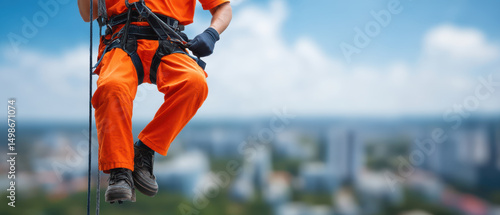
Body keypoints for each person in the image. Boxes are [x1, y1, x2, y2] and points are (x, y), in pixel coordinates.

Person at [77, 0, 232, 203]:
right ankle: (120, 170)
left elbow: (223, 7)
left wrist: (212, 33)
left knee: (194, 83)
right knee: (111, 87)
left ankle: (145, 149)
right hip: (122, 39)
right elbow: (89, 14)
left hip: (168, 39)